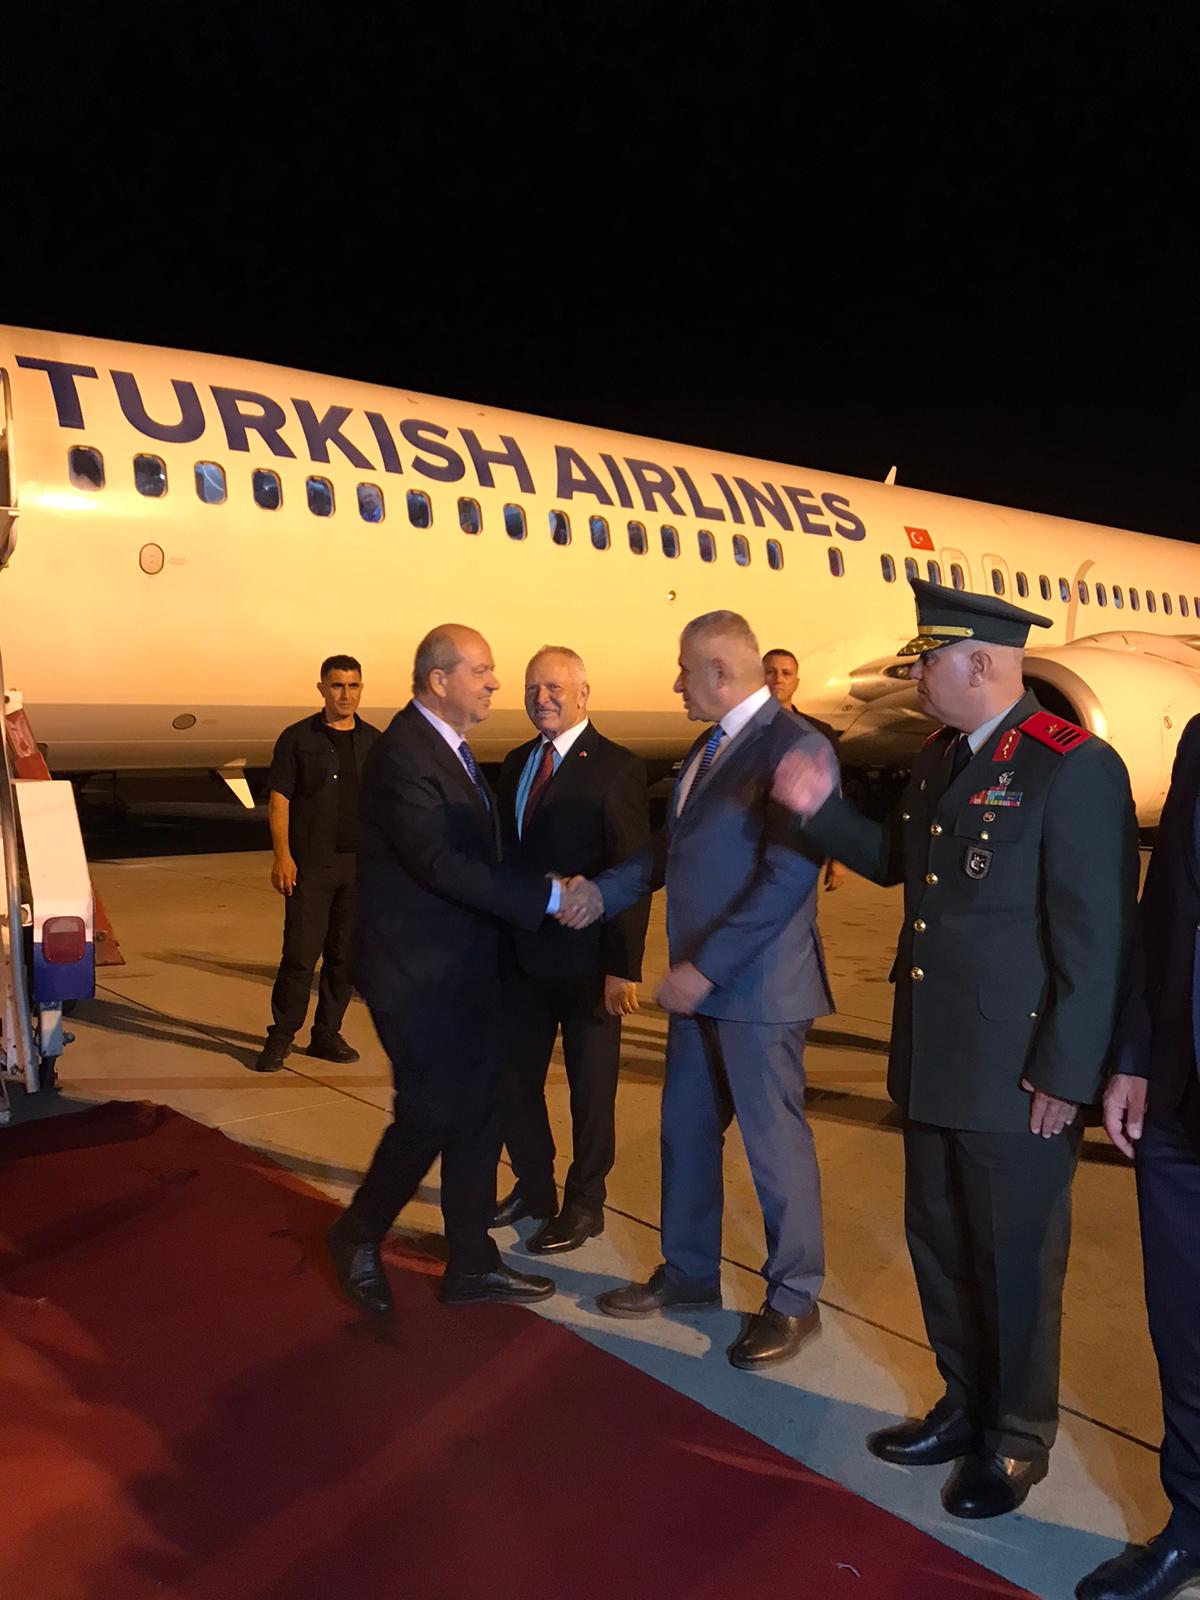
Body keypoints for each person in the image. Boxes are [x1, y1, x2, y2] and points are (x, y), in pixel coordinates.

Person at [772, 578, 1139, 1519]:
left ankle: (1016, 1437)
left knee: (1015, 1263)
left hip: (1018, 1076)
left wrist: (1066, 1073)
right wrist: (819, 807)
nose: (916, 677)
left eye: (928, 661)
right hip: (935, 1056)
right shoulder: (941, 759)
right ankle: (964, 1404)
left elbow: (1096, 941)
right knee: (940, 1244)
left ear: (980, 664)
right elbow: (898, 863)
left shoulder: (1069, 765)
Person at [558, 610, 833, 1369]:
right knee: (685, 1135)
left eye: (684, 670)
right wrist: (601, 893)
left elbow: (788, 878)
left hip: (758, 991)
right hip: (699, 990)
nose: (676, 683)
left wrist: (705, 969)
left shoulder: (797, 746)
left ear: (720, 670)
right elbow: (669, 848)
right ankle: (688, 1274)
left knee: (774, 1152)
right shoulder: (711, 746)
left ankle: (794, 1299)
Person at [325, 625, 590, 1314]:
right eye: (482, 670)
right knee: (432, 1111)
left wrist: (537, 887)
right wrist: (549, 897)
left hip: (464, 972)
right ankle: (357, 1232)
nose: (496, 682)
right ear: (439, 680)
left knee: (480, 1110)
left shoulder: (450, 750)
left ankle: (471, 1262)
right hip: (416, 976)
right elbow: (441, 863)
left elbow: (479, 857)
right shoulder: (402, 755)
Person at [1076, 719, 1200, 1600]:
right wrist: (1132, 1057)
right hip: (1182, 1102)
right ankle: (1192, 1526)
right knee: (1186, 1336)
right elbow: (1167, 911)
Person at [492, 645, 651, 1252]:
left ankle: (585, 1205)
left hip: (588, 965)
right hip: (522, 959)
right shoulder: (516, 762)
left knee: (591, 1093)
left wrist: (622, 968)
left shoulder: (616, 767)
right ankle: (535, 1188)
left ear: (583, 693)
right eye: (533, 688)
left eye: (555, 687)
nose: (543, 698)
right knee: (515, 1083)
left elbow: (632, 872)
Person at [254, 656, 380, 1074]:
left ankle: (327, 1034)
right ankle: (281, 1036)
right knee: (299, 956)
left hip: (359, 868)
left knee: (344, 958)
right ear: (322, 689)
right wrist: (282, 855)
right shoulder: (297, 738)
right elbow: (280, 799)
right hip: (312, 865)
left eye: (353, 686)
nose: (346, 694)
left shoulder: (374, 741)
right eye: (337, 685)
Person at [763, 647, 846, 890]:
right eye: (770, 672)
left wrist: (839, 855)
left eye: (786, 673)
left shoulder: (819, 734)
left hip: (796, 851)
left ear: (796, 682)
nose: (778, 679)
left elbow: (832, 797)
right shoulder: (740, 731)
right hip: (745, 849)